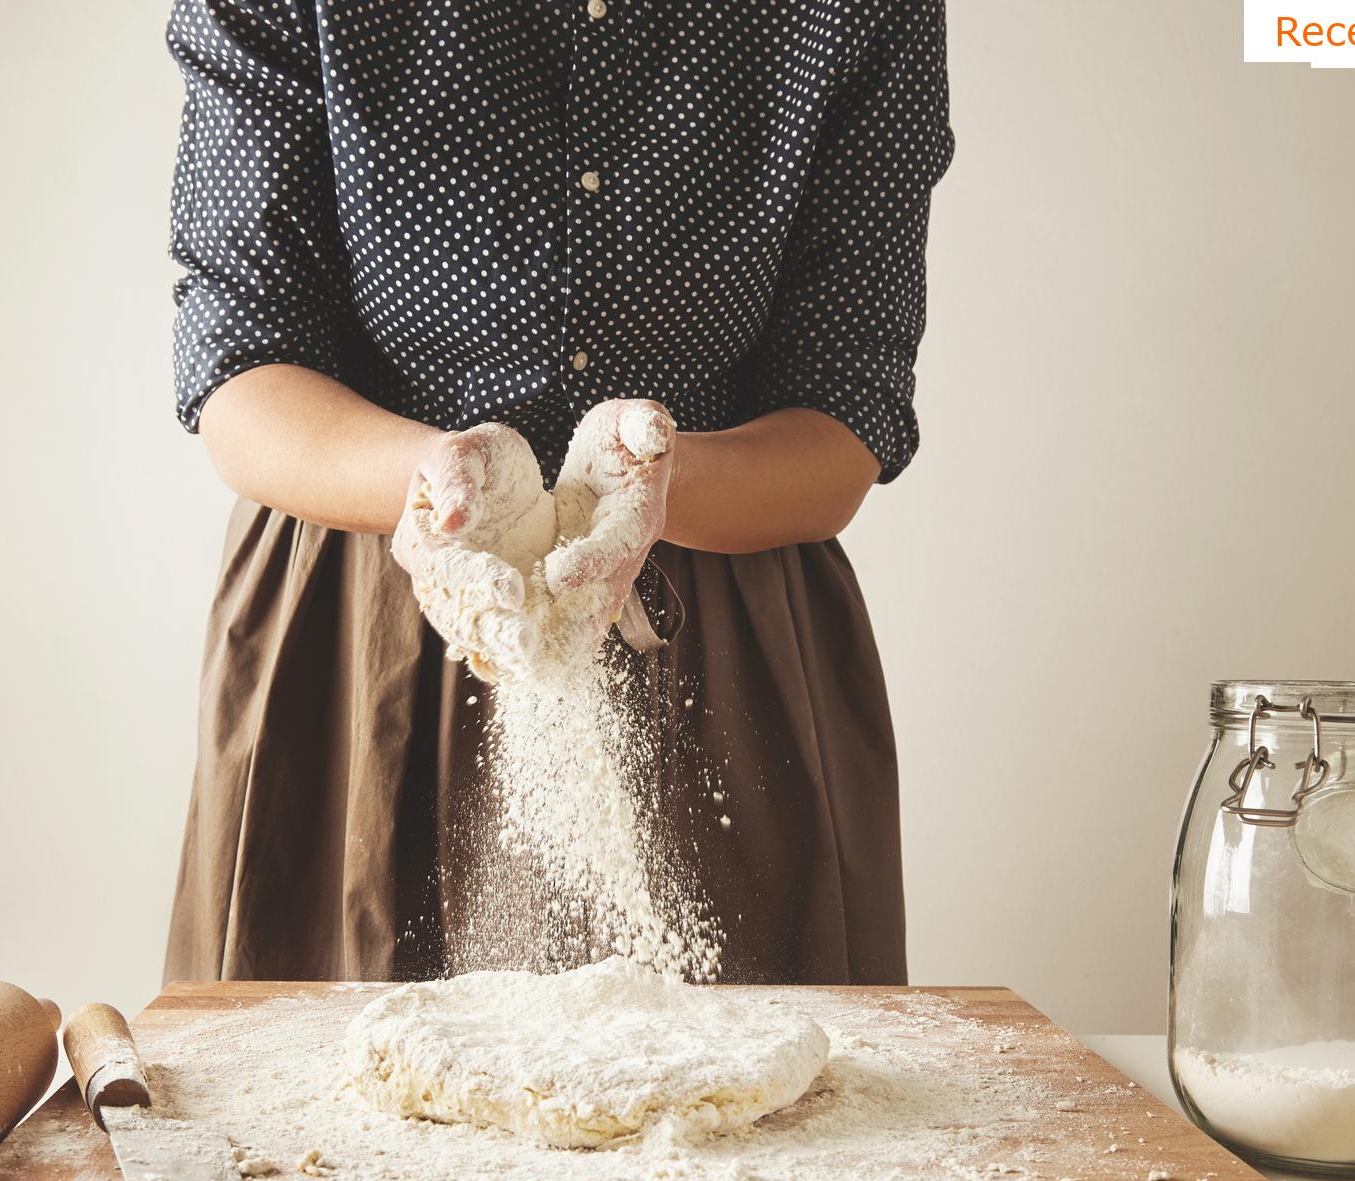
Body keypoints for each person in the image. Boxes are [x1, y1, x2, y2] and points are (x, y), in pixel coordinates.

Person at [161, 0, 955, 987]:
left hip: (715, 641)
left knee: (731, 1111)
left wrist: (655, 481)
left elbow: (846, 407)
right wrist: (438, 483)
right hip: (366, 636)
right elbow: (241, 367)